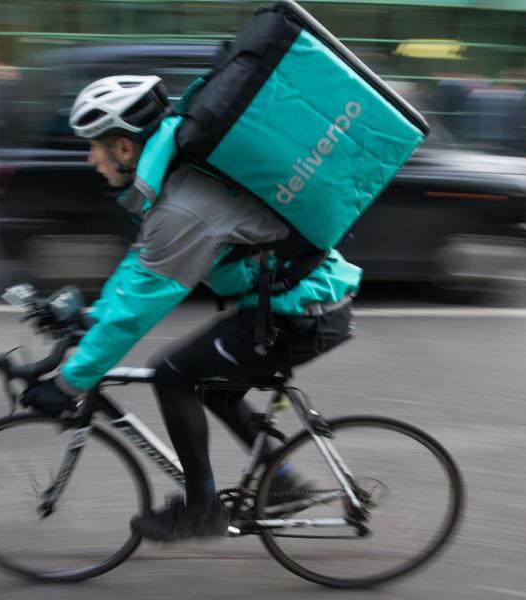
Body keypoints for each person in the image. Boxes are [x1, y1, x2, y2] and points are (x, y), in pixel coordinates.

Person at [22, 75, 361, 542]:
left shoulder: (184, 205)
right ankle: (279, 483)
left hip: (302, 314)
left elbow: (142, 304)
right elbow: (142, 265)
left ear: (123, 147)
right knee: (209, 384)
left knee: (173, 374)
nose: (89, 158)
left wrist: (68, 382)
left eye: (93, 147)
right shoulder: (175, 178)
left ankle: (202, 508)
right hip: (300, 304)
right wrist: (91, 320)